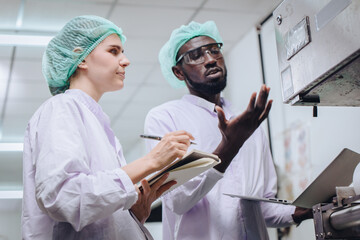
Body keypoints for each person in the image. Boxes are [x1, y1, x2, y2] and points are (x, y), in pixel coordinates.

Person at [21, 15, 195, 240]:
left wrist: (135, 214)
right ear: (80, 58)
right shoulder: (61, 108)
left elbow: (98, 211)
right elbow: (64, 197)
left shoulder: (97, 123)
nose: (125, 61)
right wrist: (150, 161)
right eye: (114, 51)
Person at [144, 21, 313, 240]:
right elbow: (178, 199)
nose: (211, 59)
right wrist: (229, 146)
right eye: (196, 55)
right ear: (178, 72)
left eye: (214, 50)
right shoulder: (165, 118)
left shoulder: (248, 122)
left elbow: (261, 207)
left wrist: (303, 211)